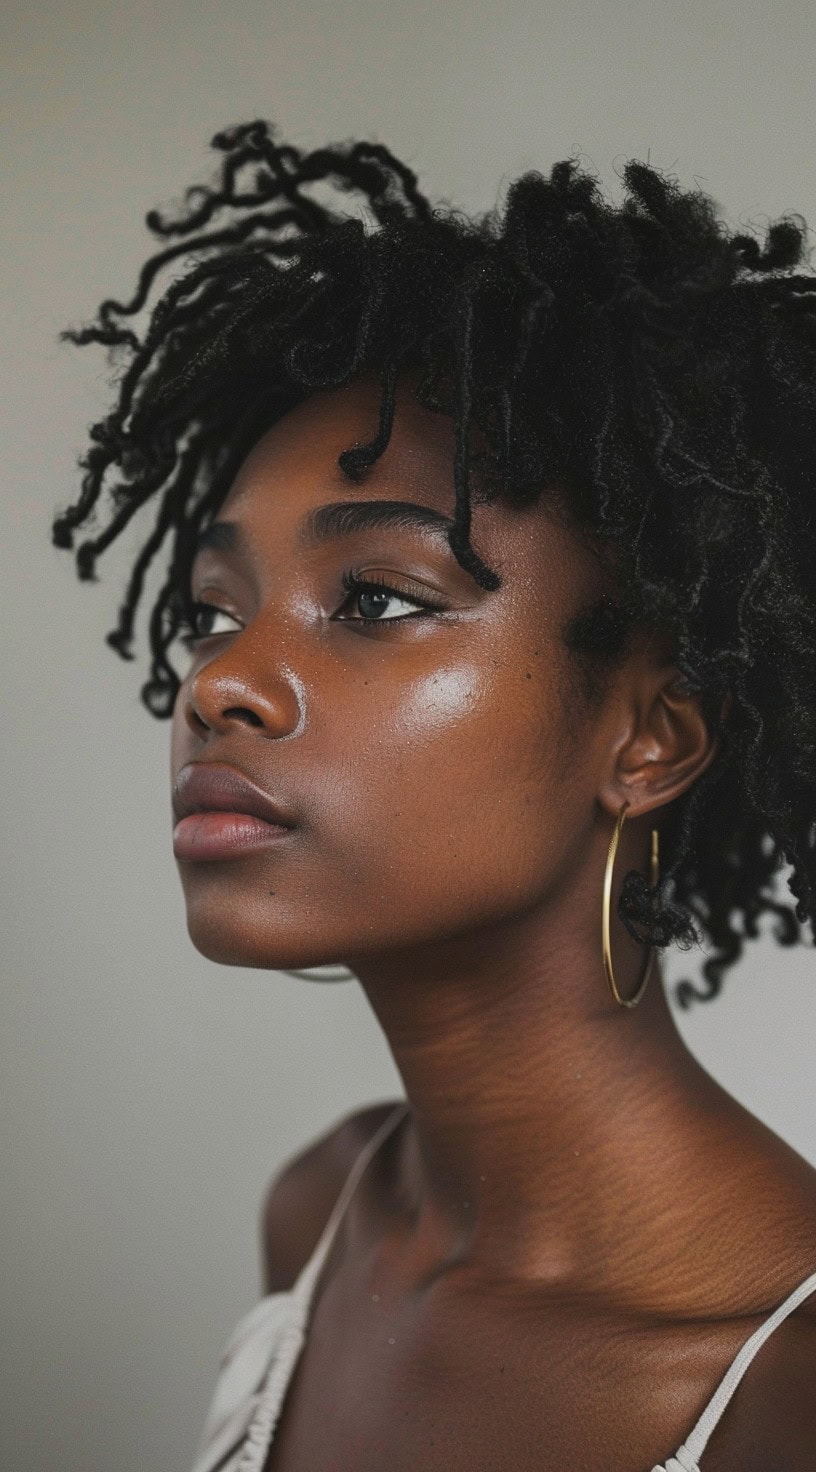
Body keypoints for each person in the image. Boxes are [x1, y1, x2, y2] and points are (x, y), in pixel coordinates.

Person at [52, 119, 816, 1469]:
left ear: (649, 741)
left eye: (378, 598)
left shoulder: (782, 1388)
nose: (222, 682)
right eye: (214, 611)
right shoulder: (324, 1212)